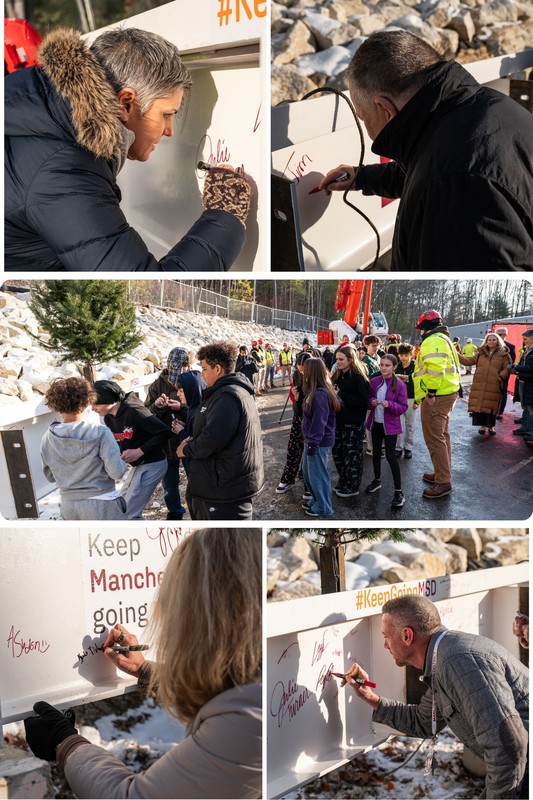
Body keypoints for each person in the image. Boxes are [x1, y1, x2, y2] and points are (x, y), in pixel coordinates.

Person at [24, 528, 262, 799]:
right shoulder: (258, 675)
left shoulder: (247, 722)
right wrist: (144, 669)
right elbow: (229, 690)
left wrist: (64, 741)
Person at [5, 27, 252, 271]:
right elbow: (153, 282)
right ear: (125, 103)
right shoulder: (64, 173)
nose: (170, 130)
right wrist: (225, 214)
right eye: (166, 114)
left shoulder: (39, 102)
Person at [318, 30, 533, 271]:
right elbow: (428, 165)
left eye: (364, 118)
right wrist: (362, 178)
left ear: (385, 110)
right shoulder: (489, 107)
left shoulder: (454, 188)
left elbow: (446, 176)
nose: (367, 128)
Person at [340, 595, 528, 799]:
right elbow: (423, 721)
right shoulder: (443, 658)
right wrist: (370, 697)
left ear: (406, 636)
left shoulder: (457, 663)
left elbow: (510, 746)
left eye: (386, 636)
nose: (385, 645)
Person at [176, 342, 264, 520]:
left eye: (205, 369)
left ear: (217, 369)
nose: (202, 373)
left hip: (224, 491)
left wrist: (185, 450)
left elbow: (213, 439)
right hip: (224, 485)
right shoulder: (230, 392)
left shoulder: (226, 397)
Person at [40, 377, 127, 520]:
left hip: (69, 507)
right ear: (87, 401)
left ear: (55, 404)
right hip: (103, 503)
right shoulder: (101, 432)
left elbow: (50, 476)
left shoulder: (47, 438)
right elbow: (116, 472)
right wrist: (122, 464)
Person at [92, 380, 170, 519]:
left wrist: (139, 451)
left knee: (129, 513)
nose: (93, 408)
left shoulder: (134, 410)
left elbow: (164, 432)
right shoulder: (109, 418)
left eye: (95, 403)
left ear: (109, 400)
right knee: (121, 508)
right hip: (137, 466)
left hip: (153, 463)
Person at [412, 309, 461, 499]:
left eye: (420, 328)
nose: (420, 332)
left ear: (424, 326)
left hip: (437, 396)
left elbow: (434, 369)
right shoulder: (444, 338)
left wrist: (430, 393)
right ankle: (442, 474)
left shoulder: (432, 340)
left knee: (434, 438)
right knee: (442, 436)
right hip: (447, 393)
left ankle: (443, 482)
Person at [144, 347, 190, 520]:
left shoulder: (193, 380)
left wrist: (181, 407)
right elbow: (146, 415)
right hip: (166, 445)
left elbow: (200, 409)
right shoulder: (156, 385)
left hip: (187, 441)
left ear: (187, 366)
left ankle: (196, 507)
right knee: (169, 484)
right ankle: (175, 511)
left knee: (195, 480)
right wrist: (157, 406)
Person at [365, 354, 407, 508]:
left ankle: (398, 491)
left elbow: (403, 407)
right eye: (382, 364)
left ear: (394, 367)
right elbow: (368, 401)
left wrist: (390, 404)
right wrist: (372, 402)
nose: (383, 368)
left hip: (391, 427)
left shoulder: (400, 385)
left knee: (390, 456)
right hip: (376, 424)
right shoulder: (374, 381)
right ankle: (376, 481)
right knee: (376, 454)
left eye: (387, 365)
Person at [300, 358, 341, 517]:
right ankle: (317, 500)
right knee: (308, 472)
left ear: (311, 372)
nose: (302, 372)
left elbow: (319, 422)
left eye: (305, 370)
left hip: (317, 441)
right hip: (310, 440)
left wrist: (313, 443)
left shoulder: (320, 394)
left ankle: (324, 506)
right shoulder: (315, 390)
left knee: (318, 475)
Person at [331, 346, 369, 499]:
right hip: (339, 421)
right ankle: (344, 479)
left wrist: (340, 393)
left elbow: (362, 401)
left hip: (353, 423)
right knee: (338, 453)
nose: (337, 362)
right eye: (337, 359)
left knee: (352, 455)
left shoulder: (359, 378)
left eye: (341, 359)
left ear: (350, 359)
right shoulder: (339, 375)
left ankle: (353, 486)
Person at [457, 332, 511, 436]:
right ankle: (482, 426)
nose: (491, 342)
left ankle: (491, 427)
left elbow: (507, 368)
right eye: (489, 340)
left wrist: (500, 377)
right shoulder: (480, 353)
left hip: (494, 383)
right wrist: (456, 354)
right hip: (480, 383)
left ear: (498, 341)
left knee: (491, 405)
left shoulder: (503, 354)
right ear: (486, 341)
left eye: (494, 340)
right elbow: (468, 362)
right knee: (481, 405)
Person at [276, 351, 312, 494]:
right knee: (293, 448)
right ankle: (287, 478)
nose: (301, 371)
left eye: (304, 369)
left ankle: (310, 486)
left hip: (313, 419)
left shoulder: (319, 376)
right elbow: (297, 404)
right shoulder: (297, 375)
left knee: (311, 452)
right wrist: (296, 397)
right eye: (299, 368)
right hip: (299, 416)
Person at [170, 370, 207, 480]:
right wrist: (185, 426)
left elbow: (197, 442)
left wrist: (181, 432)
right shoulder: (194, 407)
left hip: (201, 469)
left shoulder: (202, 411)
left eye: (181, 391)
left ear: (192, 389)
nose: (178, 394)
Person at [509, 329, 533, 445]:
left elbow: (531, 368)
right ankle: (525, 428)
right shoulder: (526, 350)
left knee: (530, 408)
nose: (523, 341)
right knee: (525, 406)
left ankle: (530, 433)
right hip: (523, 381)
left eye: (525, 339)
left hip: (529, 383)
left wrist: (517, 368)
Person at [395, 342, 417, 459]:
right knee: (399, 424)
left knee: (410, 424)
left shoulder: (415, 367)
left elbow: (419, 384)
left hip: (412, 399)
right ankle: (398, 447)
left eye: (405, 355)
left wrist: (418, 400)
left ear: (411, 355)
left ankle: (408, 448)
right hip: (399, 400)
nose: (403, 357)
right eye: (401, 355)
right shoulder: (397, 366)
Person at [495, 327, 517, 417]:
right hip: (492, 372)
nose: (498, 336)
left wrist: (504, 372)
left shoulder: (510, 347)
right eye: (497, 334)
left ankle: (500, 412)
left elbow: (511, 361)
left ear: (505, 335)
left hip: (503, 373)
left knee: (502, 391)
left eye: (500, 335)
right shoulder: (492, 345)